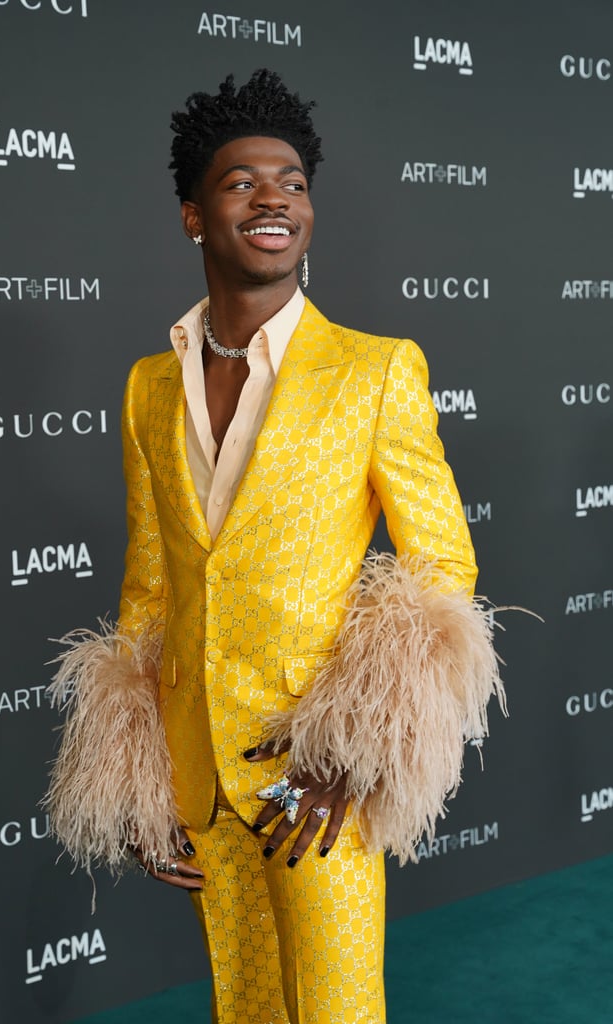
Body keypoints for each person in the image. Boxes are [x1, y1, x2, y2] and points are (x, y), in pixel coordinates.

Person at [44, 69, 505, 1024]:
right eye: (242, 181)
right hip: (199, 766)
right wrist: (137, 764)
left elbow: (440, 572)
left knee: (336, 1010)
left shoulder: (376, 371)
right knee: (245, 1003)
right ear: (192, 216)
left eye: (292, 182)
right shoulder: (146, 388)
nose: (274, 199)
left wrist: (355, 749)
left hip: (316, 773)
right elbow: (150, 588)